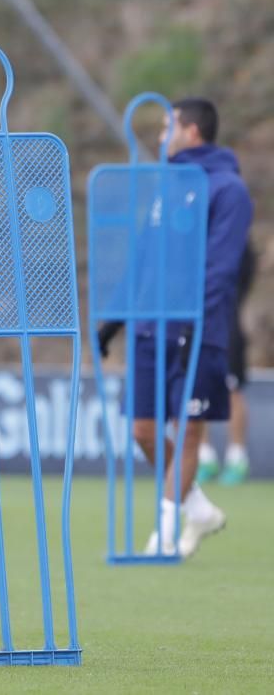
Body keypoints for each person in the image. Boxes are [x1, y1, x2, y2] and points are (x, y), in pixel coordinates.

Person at [98, 97, 252, 558]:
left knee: (189, 431)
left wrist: (200, 327)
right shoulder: (166, 184)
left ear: (192, 132)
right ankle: (197, 507)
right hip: (150, 327)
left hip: (197, 329)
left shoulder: (229, 189)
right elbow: (144, 258)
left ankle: (162, 536)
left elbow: (221, 271)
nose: (163, 136)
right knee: (144, 431)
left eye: (169, 127)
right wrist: (116, 319)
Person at [197, 243, 255, 485]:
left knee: (231, 389)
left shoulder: (238, 244)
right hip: (197, 327)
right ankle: (204, 457)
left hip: (227, 329)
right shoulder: (197, 241)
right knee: (195, 391)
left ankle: (237, 457)